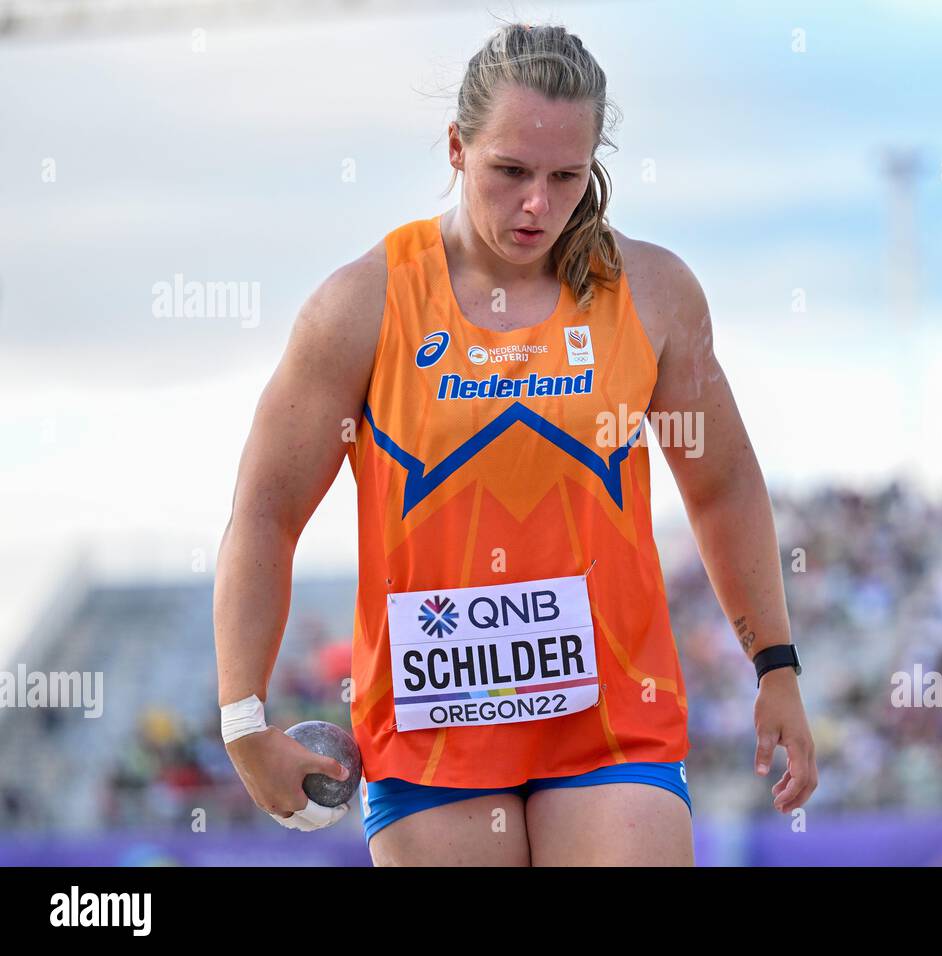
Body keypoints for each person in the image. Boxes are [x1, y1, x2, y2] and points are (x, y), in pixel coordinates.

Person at [214, 21, 816, 866]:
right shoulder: (362, 307)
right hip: (433, 736)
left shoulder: (652, 294)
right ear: (457, 149)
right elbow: (265, 512)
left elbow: (722, 488)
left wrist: (775, 666)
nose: (538, 203)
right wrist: (243, 722)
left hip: (611, 725)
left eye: (566, 176)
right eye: (511, 172)